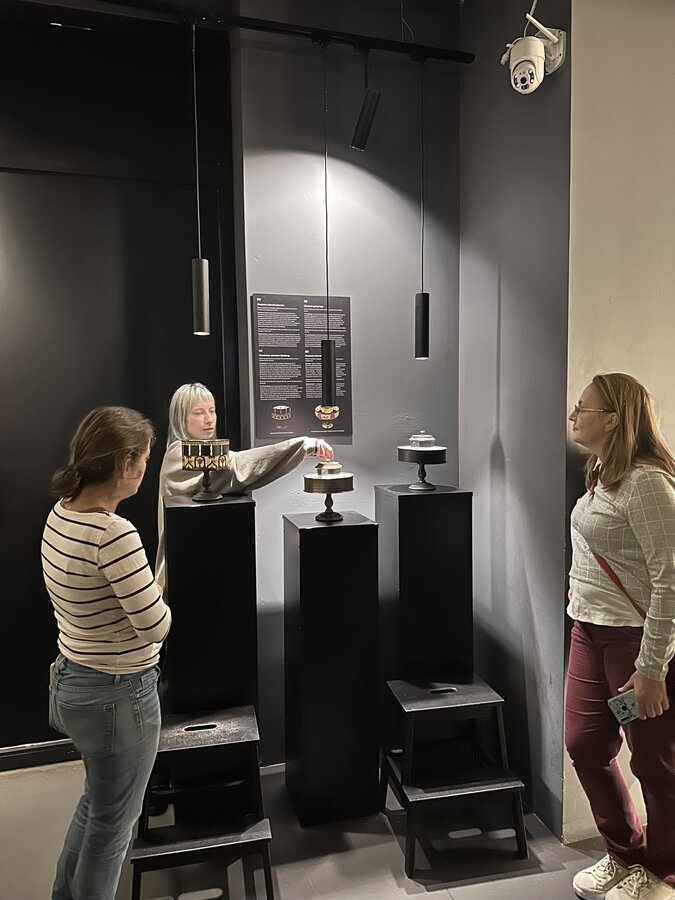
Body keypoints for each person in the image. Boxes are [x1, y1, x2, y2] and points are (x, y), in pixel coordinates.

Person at [44, 406, 171, 900]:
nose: (145, 469)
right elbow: (156, 626)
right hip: (118, 696)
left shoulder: (61, 513)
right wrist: (159, 591)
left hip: (72, 681)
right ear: (125, 464)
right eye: (144, 459)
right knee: (114, 829)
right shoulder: (113, 534)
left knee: (97, 806)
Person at [566, 374, 675, 900]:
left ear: (612, 419)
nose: (573, 415)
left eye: (582, 407)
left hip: (634, 644)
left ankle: (664, 871)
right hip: (588, 633)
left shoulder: (647, 483)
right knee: (585, 743)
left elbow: (670, 578)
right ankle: (625, 853)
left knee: (653, 762)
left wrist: (651, 669)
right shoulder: (600, 472)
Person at [155, 382, 333, 590]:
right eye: (198, 413)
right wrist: (303, 445)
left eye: (212, 410)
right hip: (181, 572)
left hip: (205, 566)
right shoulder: (179, 453)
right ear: (180, 419)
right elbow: (236, 467)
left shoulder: (205, 450)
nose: (209, 419)